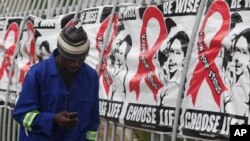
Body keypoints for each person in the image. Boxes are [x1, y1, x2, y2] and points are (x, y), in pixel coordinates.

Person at [13, 20, 100, 141]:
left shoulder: (91, 77)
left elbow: (93, 121)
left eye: (81, 59)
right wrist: (52, 119)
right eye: (71, 59)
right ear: (60, 52)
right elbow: (21, 114)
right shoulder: (37, 74)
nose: (76, 64)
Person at [157, 31, 189, 107]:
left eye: (178, 53)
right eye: (171, 51)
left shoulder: (176, 86)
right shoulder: (164, 76)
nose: (172, 58)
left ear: (184, 58)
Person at [109, 22, 132, 101]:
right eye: (118, 52)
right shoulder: (113, 67)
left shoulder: (123, 73)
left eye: (121, 53)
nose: (118, 56)